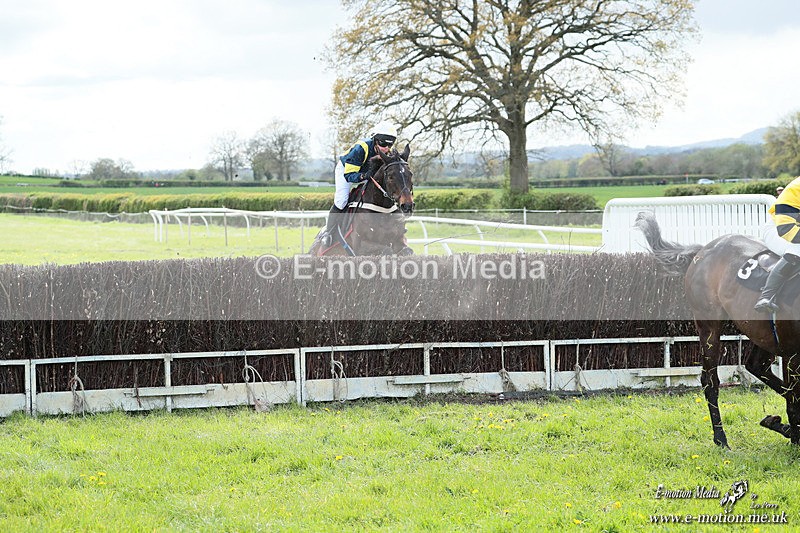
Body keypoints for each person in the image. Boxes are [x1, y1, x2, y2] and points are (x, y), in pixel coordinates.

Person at [321, 121, 398, 247]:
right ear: (375, 140)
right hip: (346, 170)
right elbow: (349, 176)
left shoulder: (387, 152)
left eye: (390, 144)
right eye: (383, 143)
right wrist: (364, 176)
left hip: (365, 172)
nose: (386, 149)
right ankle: (328, 233)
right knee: (341, 201)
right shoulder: (361, 148)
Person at [755, 178, 800, 312]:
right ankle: (766, 296)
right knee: (798, 249)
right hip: (778, 229)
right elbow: (786, 230)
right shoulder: (796, 189)